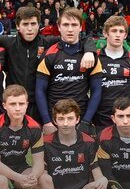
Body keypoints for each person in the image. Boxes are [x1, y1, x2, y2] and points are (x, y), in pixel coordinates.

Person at [0, 5, 96, 123]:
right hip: (14, 103)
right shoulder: (9, 42)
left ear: (39, 25)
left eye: (33, 24)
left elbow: (80, 38)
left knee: (39, 144)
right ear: (18, 26)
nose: (29, 28)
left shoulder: (48, 42)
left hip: (38, 104)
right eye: (25, 24)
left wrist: (90, 51)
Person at [36, 7, 104, 135]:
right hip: (54, 119)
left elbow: (97, 91)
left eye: (74, 25)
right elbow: (40, 90)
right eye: (66, 25)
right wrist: (47, 121)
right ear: (59, 27)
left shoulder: (91, 56)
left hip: (81, 118)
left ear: (80, 27)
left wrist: (86, 121)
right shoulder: (49, 55)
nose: (70, 29)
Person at [94, 15, 130, 130]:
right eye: (114, 31)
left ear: (125, 35)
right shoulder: (95, 58)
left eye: (121, 31)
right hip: (99, 117)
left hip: (122, 118)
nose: (118, 34)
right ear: (105, 33)